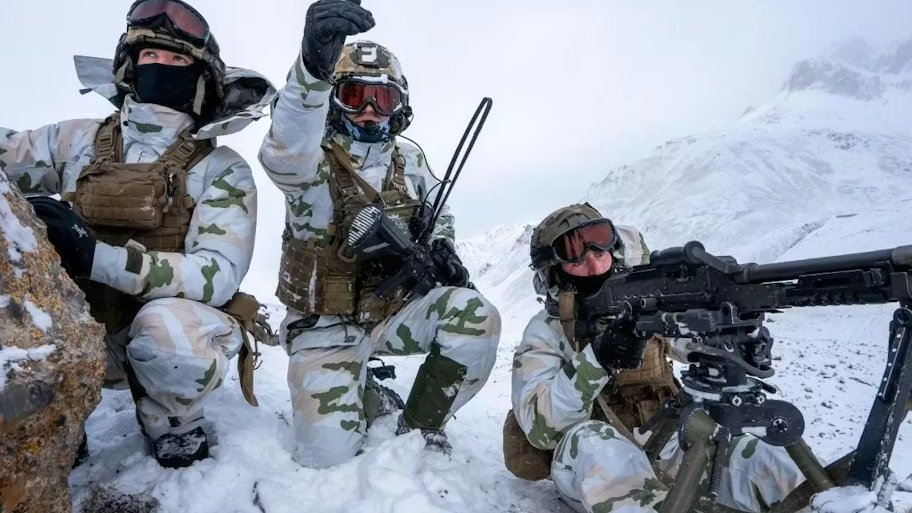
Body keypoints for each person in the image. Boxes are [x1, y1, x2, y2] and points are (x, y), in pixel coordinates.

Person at [0, 0, 275, 468]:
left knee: (169, 333)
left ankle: (170, 422)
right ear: (130, 67)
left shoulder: (221, 168)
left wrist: (95, 257)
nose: (160, 66)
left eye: (177, 59)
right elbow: (10, 158)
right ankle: (55, 418)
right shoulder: (77, 140)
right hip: (81, 329)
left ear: (200, 77)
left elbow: (215, 274)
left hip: (159, 340)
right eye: (150, 55)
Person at [258, 0, 501, 468]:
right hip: (324, 328)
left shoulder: (409, 160)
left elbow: (439, 209)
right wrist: (311, 70)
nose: (369, 112)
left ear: (400, 107)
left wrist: (442, 247)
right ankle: (362, 388)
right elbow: (281, 152)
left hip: (390, 314)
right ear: (333, 101)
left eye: (382, 100)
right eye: (354, 96)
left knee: (474, 316)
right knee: (327, 458)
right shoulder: (310, 161)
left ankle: (419, 428)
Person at [506, 203, 804, 512]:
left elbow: (688, 342)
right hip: (589, 460)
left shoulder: (641, 299)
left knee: (766, 459)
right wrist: (598, 360)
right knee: (595, 443)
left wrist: (730, 333)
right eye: (577, 259)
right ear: (554, 273)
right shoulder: (545, 331)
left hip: (669, 443)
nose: (594, 265)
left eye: (599, 250)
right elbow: (541, 428)